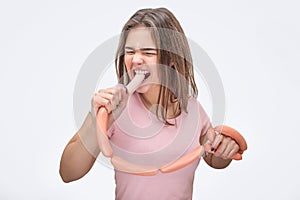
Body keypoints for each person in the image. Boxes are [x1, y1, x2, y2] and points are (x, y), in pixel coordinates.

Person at [59, 7, 242, 200]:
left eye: (147, 52)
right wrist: (101, 121)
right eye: (130, 52)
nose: (136, 59)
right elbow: (68, 173)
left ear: (171, 59)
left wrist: (225, 149)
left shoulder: (193, 110)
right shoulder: (111, 107)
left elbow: (214, 159)